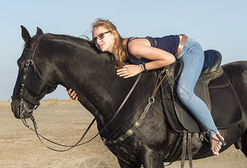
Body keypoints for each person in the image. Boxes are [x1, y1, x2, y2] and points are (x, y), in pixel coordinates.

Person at [69, 18, 224, 155]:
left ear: (114, 34)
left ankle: (213, 134)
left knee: (184, 92)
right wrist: (79, 92)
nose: (98, 41)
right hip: (173, 55)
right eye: (95, 39)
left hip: (187, 50)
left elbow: (169, 58)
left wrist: (140, 68)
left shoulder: (132, 47)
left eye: (102, 35)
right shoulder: (115, 56)